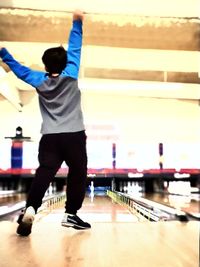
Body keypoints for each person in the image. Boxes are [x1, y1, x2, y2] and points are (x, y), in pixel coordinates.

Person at [0, 10, 91, 236]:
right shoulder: (71, 74)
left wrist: (3, 52)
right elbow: (75, 46)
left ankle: (31, 208)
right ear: (66, 62)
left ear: (44, 65)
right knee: (78, 172)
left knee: (45, 172)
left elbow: (19, 70)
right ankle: (70, 214)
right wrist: (77, 21)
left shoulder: (38, 80)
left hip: (50, 137)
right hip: (74, 135)